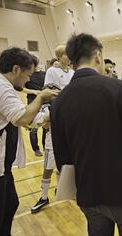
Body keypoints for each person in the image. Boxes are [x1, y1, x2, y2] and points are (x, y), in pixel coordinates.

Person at [50, 33, 122, 236]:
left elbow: (62, 157)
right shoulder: (116, 88)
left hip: (88, 194)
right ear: (98, 56)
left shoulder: (59, 101)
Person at [0, 47, 57, 236]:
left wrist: (46, 116)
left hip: (2, 166)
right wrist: (42, 97)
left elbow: (22, 114)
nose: (28, 80)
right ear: (16, 69)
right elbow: (20, 117)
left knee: (10, 203)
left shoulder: (0, 84)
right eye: (27, 75)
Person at [30, 46, 74, 213]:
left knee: (66, 164)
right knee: (48, 166)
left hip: (69, 122)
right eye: (66, 54)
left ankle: (64, 189)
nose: (69, 57)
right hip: (54, 119)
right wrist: (48, 115)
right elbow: (48, 94)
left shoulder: (72, 73)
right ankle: (43, 196)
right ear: (59, 56)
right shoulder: (52, 72)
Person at [24, 55, 46, 157]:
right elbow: (20, 88)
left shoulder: (44, 74)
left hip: (45, 102)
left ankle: (45, 146)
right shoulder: (27, 75)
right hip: (32, 101)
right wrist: (34, 91)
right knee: (33, 128)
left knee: (46, 126)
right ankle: (36, 149)